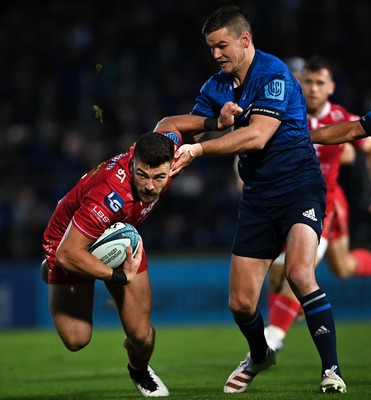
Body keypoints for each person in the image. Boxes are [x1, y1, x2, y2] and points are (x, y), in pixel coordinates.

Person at [156, 5, 351, 395]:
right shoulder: (216, 87)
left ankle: (331, 370)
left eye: (222, 46)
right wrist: (204, 127)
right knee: (241, 304)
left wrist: (198, 151)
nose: (216, 55)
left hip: (299, 187)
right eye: (211, 48)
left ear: (245, 40)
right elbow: (180, 127)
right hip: (258, 197)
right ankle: (260, 354)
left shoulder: (274, 75)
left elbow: (258, 136)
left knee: (298, 273)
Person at [41, 130, 185, 398]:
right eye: (142, 175)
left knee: (141, 335)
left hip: (120, 238)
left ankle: (139, 371)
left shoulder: (169, 154)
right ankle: (57, 269)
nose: (150, 186)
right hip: (68, 245)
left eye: (159, 178)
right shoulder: (109, 195)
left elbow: (174, 124)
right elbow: (68, 253)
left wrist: (214, 123)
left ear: (172, 166)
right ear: (132, 163)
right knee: (76, 339)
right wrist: (117, 276)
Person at [265, 56, 371, 353]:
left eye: (319, 83)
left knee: (298, 269)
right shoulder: (286, 113)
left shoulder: (339, 117)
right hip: (291, 200)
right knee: (343, 267)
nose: (312, 89)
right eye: (308, 81)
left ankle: (273, 336)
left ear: (331, 87)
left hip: (326, 205)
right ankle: (290, 308)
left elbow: (366, 146)